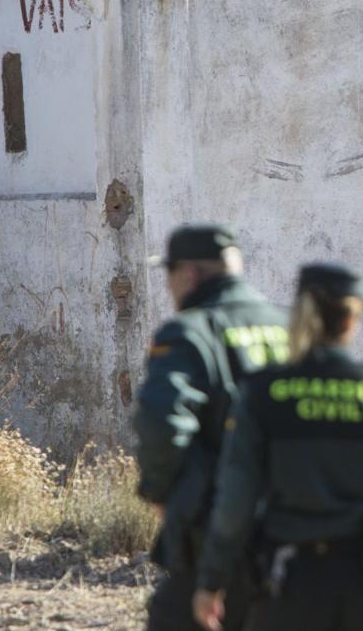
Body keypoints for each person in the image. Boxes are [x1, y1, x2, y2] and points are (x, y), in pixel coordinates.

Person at [191, 263, 363, 631]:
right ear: (352, 319)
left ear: (301, 316)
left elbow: (234, 499)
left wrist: (211, 581)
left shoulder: (263, 395)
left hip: (287, 587)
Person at [134, 224, 290, 631]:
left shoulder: (189, 332)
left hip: (219, 532)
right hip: (296, 530)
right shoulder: (288, 328)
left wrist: (162, 491)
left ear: (188, 275)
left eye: (169, 275)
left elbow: (162, 419)